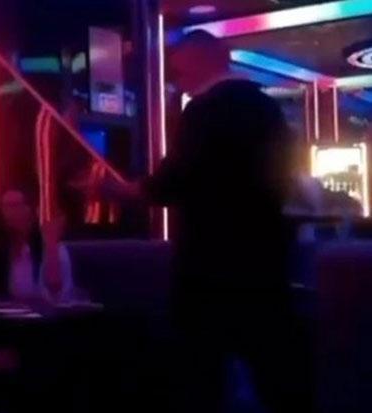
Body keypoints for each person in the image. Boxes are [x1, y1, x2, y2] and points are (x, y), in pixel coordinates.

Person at [87, 30, 315, 412]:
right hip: (266, 257)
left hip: (209, 263)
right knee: (277, 371)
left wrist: (118, 191)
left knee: (200, 374)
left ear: (202, 59)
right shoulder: (268, 109)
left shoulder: (204, 110)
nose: (177, 77)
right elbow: (284, 179)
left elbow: (174, 182)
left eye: (180, 67)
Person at [0, 189, 73, 304]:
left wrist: (51, 244)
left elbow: (55, 291)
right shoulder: (0, 249)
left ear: (29, 210)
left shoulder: (52, 247)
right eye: (5, 207)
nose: (9, 212)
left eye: (14, 205)